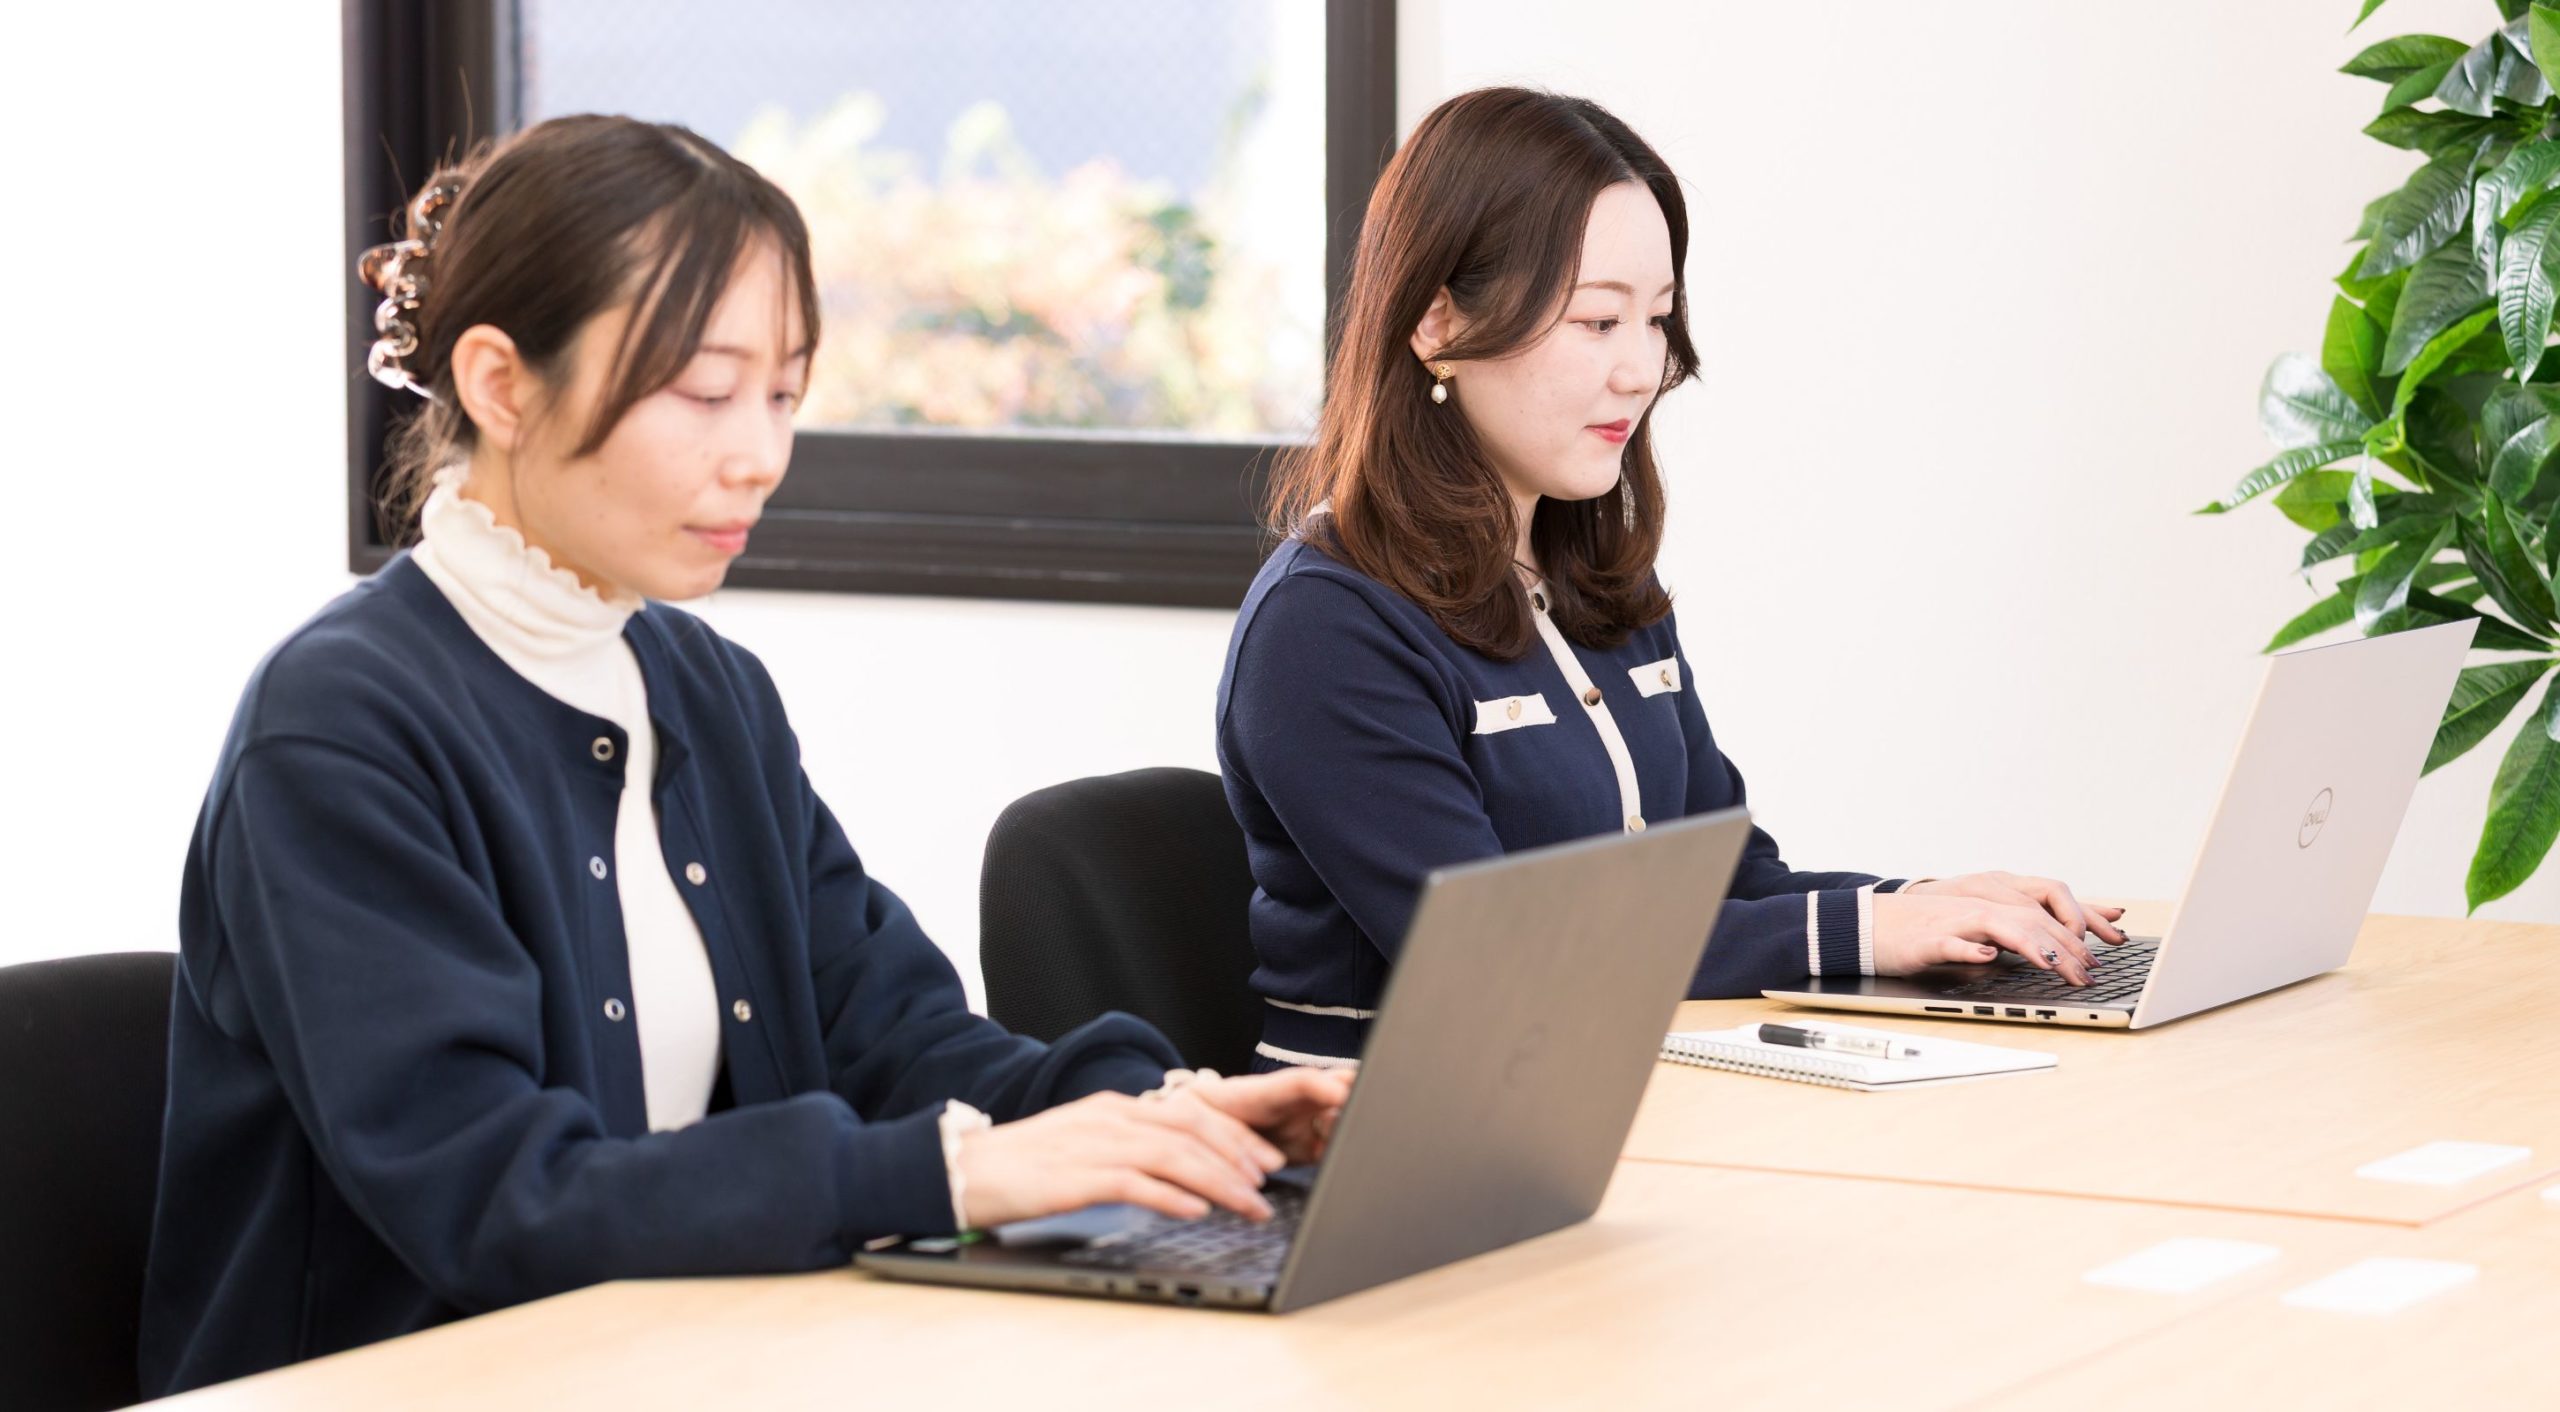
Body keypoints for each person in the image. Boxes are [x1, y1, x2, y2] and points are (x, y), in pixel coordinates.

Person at [141, 114, 1348, 1396]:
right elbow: (496, 1197)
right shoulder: (338, 728)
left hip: (682, 1359)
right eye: (705, 394)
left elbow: (892, 1035)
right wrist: (948, 1172)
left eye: (783, 396)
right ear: (500, 384)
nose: (760, 456)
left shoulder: (705, 688)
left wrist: (1156, 1113)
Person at [1215, 88, 2124, 1071]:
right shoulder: (1325, 627)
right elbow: (1499, 956)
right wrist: (1863, 933)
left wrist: (1927, 907)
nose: (1640, 369)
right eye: (1598, 320)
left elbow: (1726, 884)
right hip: (1393, 1125)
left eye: (1655, 319)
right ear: (1437, 322)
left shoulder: (1597, 584)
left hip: (1621, 1090)